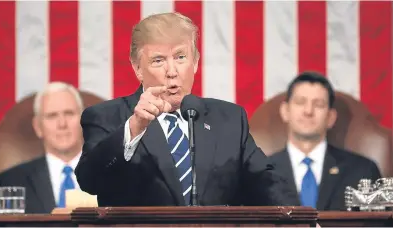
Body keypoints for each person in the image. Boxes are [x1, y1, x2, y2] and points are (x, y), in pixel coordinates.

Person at [75, 12, 300, 207]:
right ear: (137, 68)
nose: (172, 71)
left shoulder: (229, 119)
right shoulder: (107, 117)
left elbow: (266, 182)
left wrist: (304, 221)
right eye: (158, 60)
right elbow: (89, 181)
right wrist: (135, 128)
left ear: (195, 62)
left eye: (180, 57)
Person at [268, 72, 382, 211]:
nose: (308, 111)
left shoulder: (363, 171)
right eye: (300, 102)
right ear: (285, 111)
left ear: (330, 117)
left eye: (318, 104)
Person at [0, 82, 84, 214]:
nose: (62, 124)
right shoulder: (11, 182)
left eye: (69, 113)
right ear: (38, 127)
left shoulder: (115, 176)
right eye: (52, 116)